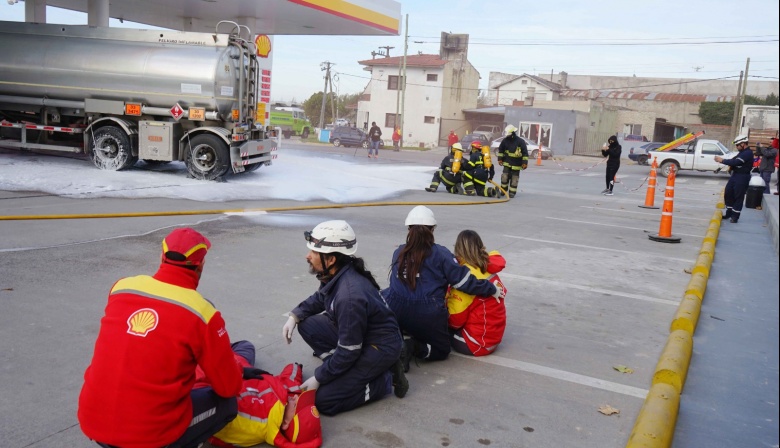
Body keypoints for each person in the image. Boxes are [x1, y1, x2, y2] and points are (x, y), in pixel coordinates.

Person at [78, 227, 247, 448]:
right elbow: (229, 387)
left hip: (93, 422)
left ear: (161, 256)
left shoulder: (121, 288)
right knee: (227, 405)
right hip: (149, 436)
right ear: (201, 265)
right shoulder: (203, 314)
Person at [281, 220, 408, 416]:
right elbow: (321, 297)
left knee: (324, 400)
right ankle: (343, 371)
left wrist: (319, 377)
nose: (308, 256)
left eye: (314, 252)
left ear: (331, 259)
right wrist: (295, 316)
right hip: (359, 338)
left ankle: (384, 379)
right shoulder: (339, 273)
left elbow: (349, 351)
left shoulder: (349, 296)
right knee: (306, 323)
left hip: (379, 348)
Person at [382, 206, 500, 371]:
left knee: (386, 293)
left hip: (397, 310)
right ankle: (413, 348)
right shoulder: (441, 254)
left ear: (409, 229)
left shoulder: (398, 252)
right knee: (442, 350)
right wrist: (491, 288)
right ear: (432, 230)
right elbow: (464, 283)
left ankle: (399, 338)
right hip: (428, 312)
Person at [197, 341, 323, 448]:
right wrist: (295, 366)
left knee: (217, 346)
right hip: (244, 370)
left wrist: (238, 370)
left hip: (227, 371)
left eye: (297, 405)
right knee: (246, 345)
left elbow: (208, 390)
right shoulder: (286, 401)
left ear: (285, 424)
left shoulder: (252, 424)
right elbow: (291, 380)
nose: (296, 397)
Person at [446, 230, 508, 357]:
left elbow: (454, 320)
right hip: (493, 338)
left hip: (476, 343)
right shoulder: (487, 266)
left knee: (437, 332)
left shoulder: (466, 279)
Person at [715, 134, 756, 223]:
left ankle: (735, 216)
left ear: (743, 144)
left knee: (738, 196)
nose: (736, 147)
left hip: (742, 177)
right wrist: (726, 162)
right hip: (735, 175)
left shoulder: (748, 153)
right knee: (728, 193)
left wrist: (722, 160)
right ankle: (729, 212)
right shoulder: (741, 153)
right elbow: (733, 160)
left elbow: (737, 162)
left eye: (737, 145)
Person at [496, 124, 528, 198]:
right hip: (507, 162)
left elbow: (525, 153)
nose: (507, 136)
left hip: (517, 164)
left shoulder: (520, 142)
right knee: (504, 177)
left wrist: (524, 163)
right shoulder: (505, 141)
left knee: (514, 179)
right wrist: (500, 159)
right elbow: (501, 150)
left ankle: (512, 192)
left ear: (513, 133)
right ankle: (503, 191)